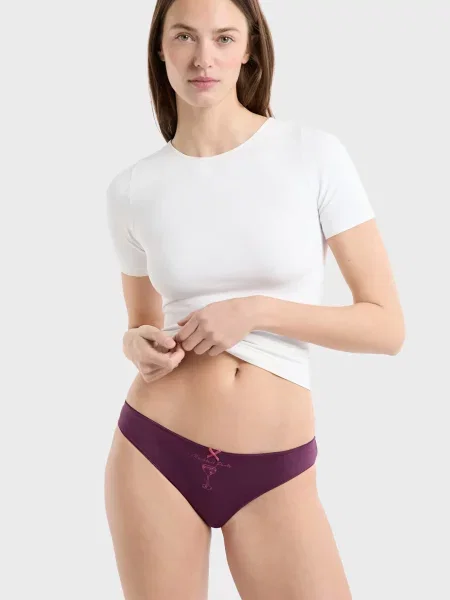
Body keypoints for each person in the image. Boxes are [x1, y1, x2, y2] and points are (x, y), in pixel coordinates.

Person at [104, 0, 405, 598]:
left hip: (276, 468)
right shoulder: (132, 189)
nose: (203, 57)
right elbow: (139, 324)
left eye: (223, 38)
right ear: (160, 49)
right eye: (184, 36)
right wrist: (137, 344)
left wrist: (256, 311)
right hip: (154, 452)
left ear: (250, 49)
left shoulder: (312, 154)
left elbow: (386, 327)